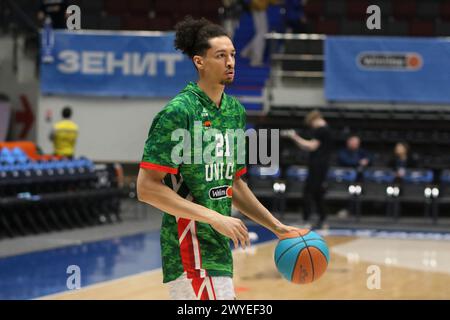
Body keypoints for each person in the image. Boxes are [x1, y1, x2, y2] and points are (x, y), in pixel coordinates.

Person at [136, 16, 301, 300]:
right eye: (221, 55)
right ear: (199, 62)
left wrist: (276, 226)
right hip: (190, 248)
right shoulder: (179, 112)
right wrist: (213, 217)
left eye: (233, 55)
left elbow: (234, 184)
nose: (231, 62)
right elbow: (146, 188)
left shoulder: (234, 111)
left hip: (218, 248)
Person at [281, 110, 332, 229]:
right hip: (320, 164)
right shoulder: (325, 130)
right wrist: (296, 140)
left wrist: (295, 137)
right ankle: (322, 218)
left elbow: (311, 146)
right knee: (317, 192)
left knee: (308, 192)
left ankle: (306, 219)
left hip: (318, 165)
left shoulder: (322, 130)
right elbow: (307, 146)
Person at [240, 0, 277, 66]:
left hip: (257, 6)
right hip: (259, 6)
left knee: (261, 32)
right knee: (262, 34)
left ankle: (247, 51)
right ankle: (255, 59)